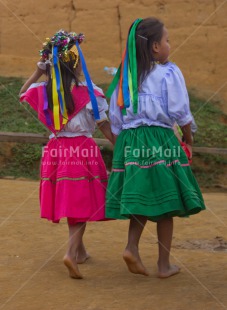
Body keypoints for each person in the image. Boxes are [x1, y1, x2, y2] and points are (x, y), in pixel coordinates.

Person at [105, 17, 206, 278]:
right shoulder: (168, 73)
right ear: (155, 47)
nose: (170, 45)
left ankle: (131, 247)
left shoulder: (124, 77)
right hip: (159, 139)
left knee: (140, 196)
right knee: (167, 202)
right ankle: (163, 265)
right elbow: (180, 112)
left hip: (130, 140)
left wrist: (124, 147)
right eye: (167, 40)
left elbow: (114, 120)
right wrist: (188, 139)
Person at [19, 30, 114, 279]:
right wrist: (123, 146)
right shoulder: (89, 91)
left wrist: (40, 71)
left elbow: (22, 93)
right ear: (76, 61)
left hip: (56, 151)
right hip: (82, 150)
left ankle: (80, 251)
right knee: (81, 201)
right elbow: (104, 126)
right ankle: (71, 253)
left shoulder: (45, 91)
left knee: (72, 198)